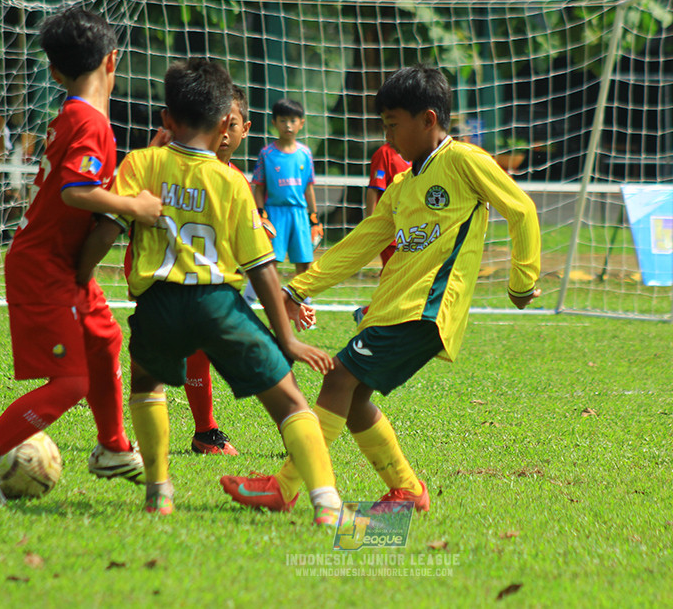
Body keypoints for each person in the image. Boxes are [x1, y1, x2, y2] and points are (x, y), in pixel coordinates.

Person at [221, 64, 541, 514]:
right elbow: (360, 243)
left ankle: (286, 486)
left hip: (425, 310)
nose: (388, 137)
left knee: (338, 378)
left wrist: (522, 280)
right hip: (393, 309)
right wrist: (299, 288)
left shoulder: (464, 161)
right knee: (353, 401)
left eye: (393, 125)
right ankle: (407, 490)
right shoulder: (402, 186)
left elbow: (522, 209)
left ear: (428, 119)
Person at [76, 58, 344, 523]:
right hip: (216, 302)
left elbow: (104, 233)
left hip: (156, 303)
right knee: (290, 400)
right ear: (226, 124)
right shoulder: (232, 181)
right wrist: (288, 339)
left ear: (165, 119)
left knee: (146, 383)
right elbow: (262, 266)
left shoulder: (142, 163)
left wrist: (77, 277)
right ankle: (326, 504)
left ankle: (159, 491)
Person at [0, 5, 161, 509]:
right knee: (72, 382)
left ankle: (112, 447)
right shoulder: (91, 122)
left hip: (62, 262)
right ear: (113, 60)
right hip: (45, 267)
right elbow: (77, 193)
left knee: (105, 336)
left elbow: (83, 181)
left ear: (55, 72)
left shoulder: (76, 116)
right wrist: (136, 206)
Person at [183, 85, 255, 456]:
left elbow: (250, 242)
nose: (223, 133)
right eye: (216, 123)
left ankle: (204, 433)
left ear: (246, 129)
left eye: (232, 124)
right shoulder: (180, 170)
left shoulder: (239, 181)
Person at [251, 98, 322, 275]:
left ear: (301, 123)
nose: (288, 125)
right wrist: (260, 213)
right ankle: (265, 300)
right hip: (274, 213)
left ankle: (303, 300)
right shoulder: (266, 153)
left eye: (293, 121)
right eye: (283, 120)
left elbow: (308, 188)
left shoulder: (305, 154)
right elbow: (258, 187)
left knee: (304, 262)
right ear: (274, 122)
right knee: (271, 261)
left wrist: (313, 217)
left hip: (299, 213)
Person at [353, 142, 411, 325]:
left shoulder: (418, 151)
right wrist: (371, 224)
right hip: (391, 232)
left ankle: (371, 314)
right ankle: (371, 315)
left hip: (413, 229)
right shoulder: (384, 153)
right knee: (397, 280)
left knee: (404, 280)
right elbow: (374, 188)